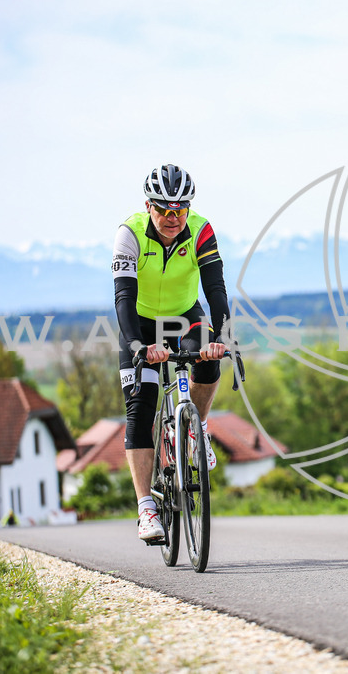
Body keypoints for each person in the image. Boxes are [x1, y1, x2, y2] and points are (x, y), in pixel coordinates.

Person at [112, 163, 232, 542]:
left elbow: (215, 289)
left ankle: (197, 430)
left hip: (184, 316)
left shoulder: (200, 229)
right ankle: (147, 508)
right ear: (148, 205)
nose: (172, 217)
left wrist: (222, 335)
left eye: (180, 209)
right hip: (141, 324)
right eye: (163, 208)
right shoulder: (129, 233)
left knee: (209, 363)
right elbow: (123, 297)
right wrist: (137, 346)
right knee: (141, 405)